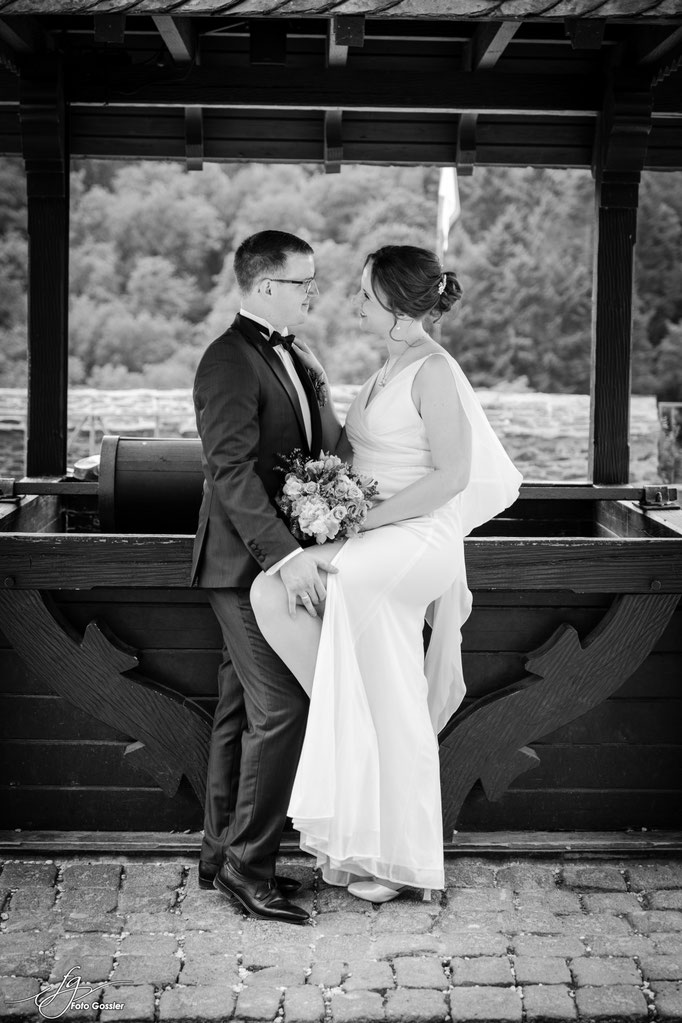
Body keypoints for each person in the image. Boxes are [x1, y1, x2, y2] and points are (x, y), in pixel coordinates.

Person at [250, 244, 523, 903]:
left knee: (334, 604)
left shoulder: (435, 371)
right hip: (375, 531)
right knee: (275, 591)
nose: (354, 303)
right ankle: (349, 719)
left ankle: (405, 860)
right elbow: (353, 456)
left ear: (398, 305)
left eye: (365, 295)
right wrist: (319, 492)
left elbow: (451, 477)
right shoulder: (384, 370)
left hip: (417, 536)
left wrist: (362, 520)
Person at [191, 230, 338, 925]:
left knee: (239, 709)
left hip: (278, 560)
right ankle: (249, 869)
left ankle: (219, 853)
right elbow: (229, 472)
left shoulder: (298, 355)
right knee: (282, 708)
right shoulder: (227, 360)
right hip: (244, 563)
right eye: (304, 281)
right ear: (265, 285)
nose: (314, 292)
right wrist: (286, 556)